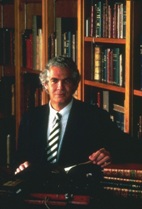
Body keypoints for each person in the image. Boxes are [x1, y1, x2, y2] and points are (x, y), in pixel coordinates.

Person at [14, 56, 135, 175]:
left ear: (75, 85)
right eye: (54, 81)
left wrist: (110, 153)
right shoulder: (31, 118)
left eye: (66, 81)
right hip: (37, 186)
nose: (60, 87)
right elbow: (20, 157)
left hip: (78, 189)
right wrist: (23, 165)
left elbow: (128, 147)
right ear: (45, 85)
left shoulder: (96, 117)